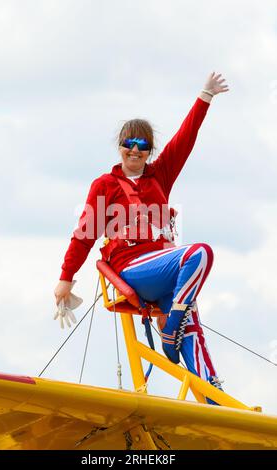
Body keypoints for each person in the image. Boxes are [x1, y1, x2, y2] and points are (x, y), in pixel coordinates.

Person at [54, 72, 229, 402]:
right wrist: (66, 278)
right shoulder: (104, 186)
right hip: (132, 268)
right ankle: (171, 324)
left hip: (168, 275)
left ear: (150, 151)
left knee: (192, 333)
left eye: (142, 145)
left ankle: (216, 402)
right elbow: (84, 235)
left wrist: (205, 96)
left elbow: (185, 138)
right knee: (199, 254)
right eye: (128, 144)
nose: (135, 150)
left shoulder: (160, 175)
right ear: (120, 147)